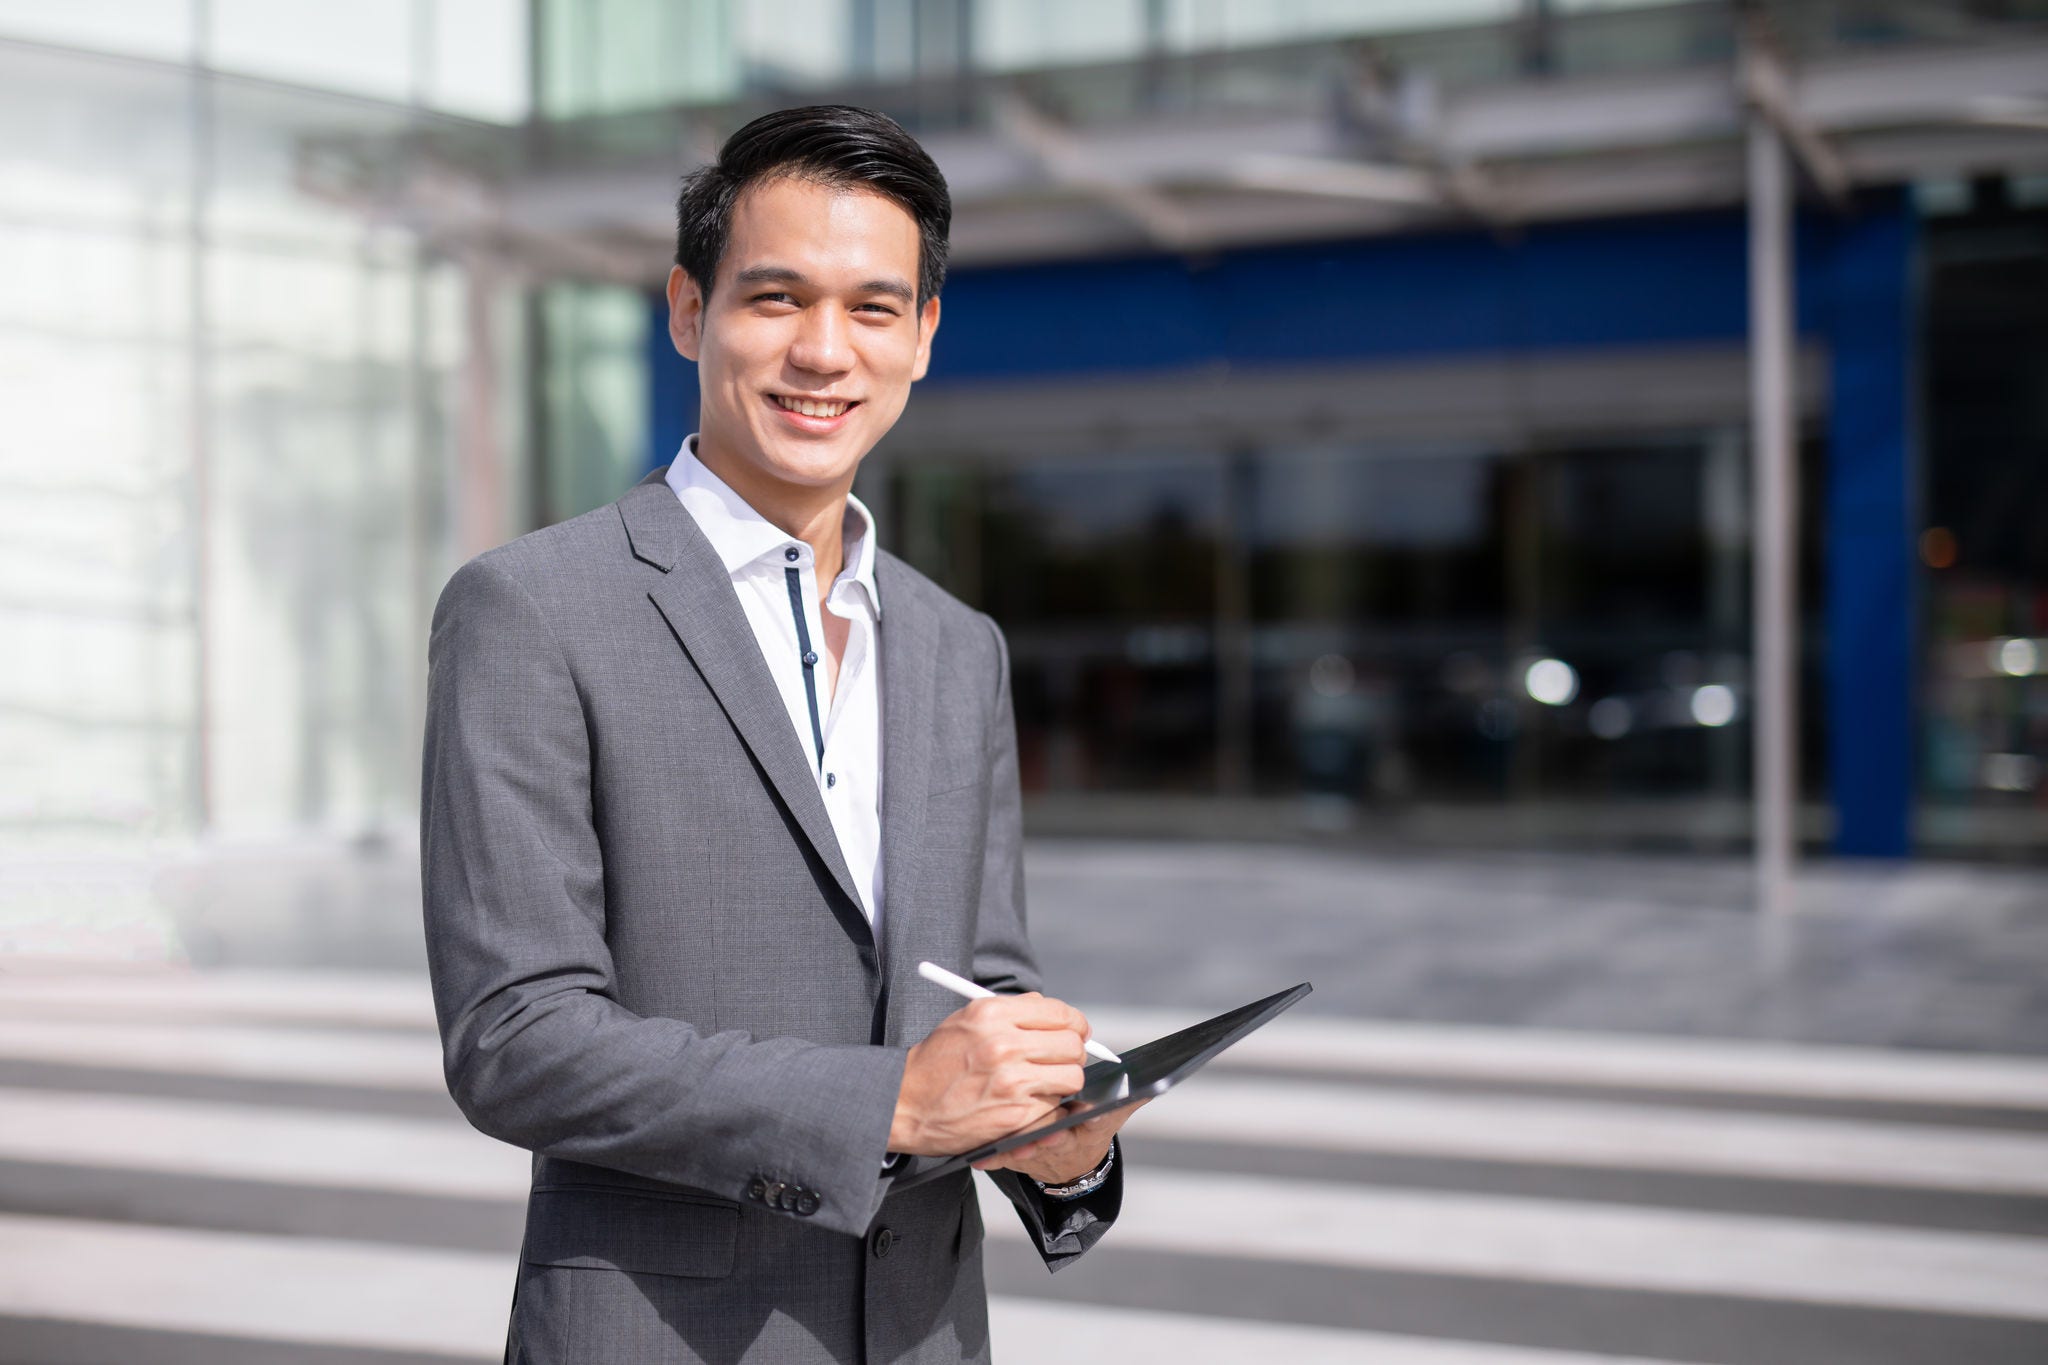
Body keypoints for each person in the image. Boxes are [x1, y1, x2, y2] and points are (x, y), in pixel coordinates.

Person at [419, 104, 1138, 1365]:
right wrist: (895, 1102)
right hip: (659, 1332)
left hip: (922, 1332)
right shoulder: (530, 608)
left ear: (920, 337)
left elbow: (981, 980)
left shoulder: (957, 643)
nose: (823, 352)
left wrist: (1051, 1133)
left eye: (872, 308)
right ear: (689, 313)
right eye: (774, 299)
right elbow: (515, 1040)